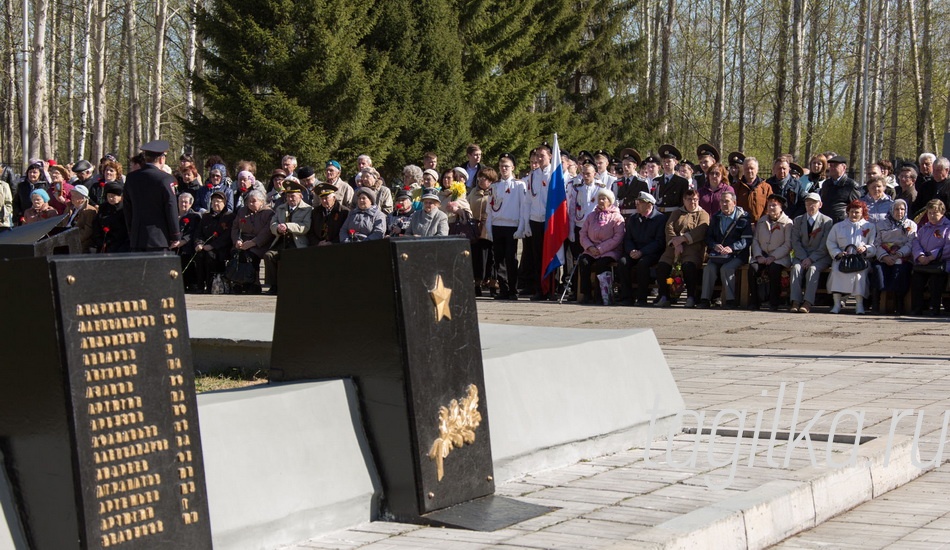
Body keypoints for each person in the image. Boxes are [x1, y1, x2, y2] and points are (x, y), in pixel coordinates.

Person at [122, 140, 181, 252]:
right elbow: (171, 207)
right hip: (159, 238)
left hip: (137, 237)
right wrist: (175, 235)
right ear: (161, 158)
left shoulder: (131, 178)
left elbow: (127, 207)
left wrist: (132, 231)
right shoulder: (165, 179)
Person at [655, 189, 709, 308]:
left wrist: (683, 239)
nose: (692, 202)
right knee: (662, 267)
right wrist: (675, 242)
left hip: (693, 248)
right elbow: (669, 228)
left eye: (695, 199)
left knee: (688, 266)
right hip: (673, 248)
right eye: (689, 199)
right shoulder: (676, 213)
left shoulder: (703, 214)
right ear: (684, 200)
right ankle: (664, 296)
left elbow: (701, 230)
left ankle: (691, 297)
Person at [486, 153, 529, 300]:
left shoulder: (519, 185)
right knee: (499, 260)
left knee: (511, 259)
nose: (504, 169)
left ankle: (513, 290)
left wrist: (521, 227)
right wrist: (489, 229)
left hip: (512, 226)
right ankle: (503, 289)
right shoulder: (494, 186)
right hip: (497, 225)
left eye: (507, 166)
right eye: (501, 166)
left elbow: (523, 208)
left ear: (513, 168)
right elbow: (490, 210)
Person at [699, 192, 753, 309]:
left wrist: (732, 248)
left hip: (737, 255)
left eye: (727, 201)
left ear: (734, 203)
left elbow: (747, 240)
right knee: (709, 268)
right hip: (718, 255)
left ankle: (730, 300)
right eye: (722, 201)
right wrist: (714, 245)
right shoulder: (716, 217)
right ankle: (705, 299)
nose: (724, 204)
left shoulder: (743, 218)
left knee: (726, 269)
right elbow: (708, 237)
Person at [826, 200, 877, 314]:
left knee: (860, 275)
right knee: (835, 271)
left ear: (862, 213)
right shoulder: (838, 227)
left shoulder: (869, 226)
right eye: (852, 212)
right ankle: (837, 304)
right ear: (848, 212)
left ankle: (859, 305)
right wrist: (837, 253)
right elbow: (831, 242)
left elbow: (874, 245)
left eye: (857, 212)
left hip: (860, 260)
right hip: (843, 259)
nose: (854, 214)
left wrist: (865, 248)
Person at [616, 192, 666, 306]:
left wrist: (642, 252)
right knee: (622, 262)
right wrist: (631, 250)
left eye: (640, 203)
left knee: (643, 264)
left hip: (651, 253)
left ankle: (642, 297)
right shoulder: (633, 218)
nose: (637, 206)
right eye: (637, 203)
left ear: (649, 205)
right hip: (635, 251)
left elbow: (659, 242)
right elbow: (628, 238)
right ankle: (627, 297)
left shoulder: (660, 219)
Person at [575, 188, 624, 304]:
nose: (601, 201)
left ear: (610, 201)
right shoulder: (591, 216)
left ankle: (600, 295)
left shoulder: (617, 217)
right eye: (600, 199)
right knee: (584, 261)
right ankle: (586, 294)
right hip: (591, 250)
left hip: (609, 250)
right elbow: (583, 234)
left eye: (604, 199)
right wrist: (590, 247)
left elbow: (617, 237)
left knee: (601, 264)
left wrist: (600, 249)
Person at [264, 181, 312, 294]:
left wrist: (288, 226)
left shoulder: (308, 209)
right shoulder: (281, 208)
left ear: (300, 196)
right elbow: (272, 224)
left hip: (297, 242)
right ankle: (273, 285)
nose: (290, 199)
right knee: (269, 255)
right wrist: (277, 228)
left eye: (293, 196)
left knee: (290, 256)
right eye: (288, 196)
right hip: (281, 241)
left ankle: (291, 286)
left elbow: (305, 227)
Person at [789, 193, 834, 313]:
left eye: (814, 203)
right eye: (808, 203)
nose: (811, 206)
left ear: (820, 205)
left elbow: (824, 245)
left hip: (820, 257)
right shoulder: (798, 220)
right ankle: (795, 301)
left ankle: (808, 302)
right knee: (796, 269)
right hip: (801, 255)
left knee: (813, 270)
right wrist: (804, 257)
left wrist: (811, 259)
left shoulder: (827, 221)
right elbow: (795, 241)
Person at [748, 194, 793, 311]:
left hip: (779, 257)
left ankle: (774, 302)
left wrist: (773, 257)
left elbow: (788, 244)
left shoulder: (788, 223)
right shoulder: (762, 221)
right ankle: (754, 301)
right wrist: (758, 255)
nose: (771, 208)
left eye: (774, 205)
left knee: (774, 269)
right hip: (762, 255)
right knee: (753, 268)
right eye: (769, 205)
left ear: (781, 207)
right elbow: (755, 240)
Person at [874, 199, 917, 314]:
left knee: (901, 271)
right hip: (885, 255)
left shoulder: (911, 225)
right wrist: (884, 257)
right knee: (878, 269)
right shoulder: (881, 224)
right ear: (891, 210)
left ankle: (899, 302)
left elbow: (910, 243)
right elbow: (876, 243)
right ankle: (877, 303)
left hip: (902, 256)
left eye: (902, 209)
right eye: (897, 209)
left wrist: (898, 255)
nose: (899, 212)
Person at [909, 199, 950, 316]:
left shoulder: (947, 227)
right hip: (923, 262)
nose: (932, 216)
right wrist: (920, 256)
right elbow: (916, 242)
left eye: (935, 213)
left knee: (935, 280)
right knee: (917, 279)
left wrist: (932, 256)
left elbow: (948, 246)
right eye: (929, 213)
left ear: (942, 213)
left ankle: (934, 307)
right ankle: (917, 308)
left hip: (940, 262)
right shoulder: (924, 227)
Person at [231, 189, 274, 294]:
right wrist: (237, 240)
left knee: (250, 255)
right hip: (243, 241)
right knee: (237, 253)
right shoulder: (242, 211)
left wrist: (253, 242)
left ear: (261, 202)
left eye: (254, 201)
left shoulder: (268, 213)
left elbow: (267, 232)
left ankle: (254, 283)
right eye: (249, 201)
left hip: (260, 243)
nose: (250, 203)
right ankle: (239, 282)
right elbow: (235, 228)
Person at [468, 168, 496, 296]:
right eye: (479, 178)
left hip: (489, 227)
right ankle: (477, 283)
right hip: (475, 228)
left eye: (484, 178)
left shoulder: (494, 191)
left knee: (490, 257)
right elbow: (467, 204)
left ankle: (491, 283)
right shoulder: (473, 191)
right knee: (477, 257)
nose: (480, 180)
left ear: (490, 180)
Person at [820, 156, 862, 223]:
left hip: (841, 223)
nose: (832, 168)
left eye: (835, 166)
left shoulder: (851, 185)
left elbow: (856, 206)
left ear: (844, 167)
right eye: (831, 166)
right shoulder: (826, 184)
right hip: (825, 223)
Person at [91, 182, 130, 253]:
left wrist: (110, 240)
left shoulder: (124, 209)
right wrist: (99, 238)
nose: (110, 198)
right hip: (102, 240)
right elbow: (97, 223)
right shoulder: (103, 207)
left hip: (119, 242)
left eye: (113, 196)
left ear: (120, 197)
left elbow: (123, 229)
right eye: (109, 196)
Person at [652, 145, 690, 215]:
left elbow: (683, 203)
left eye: (669, 161)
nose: (666, 164)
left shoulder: (682, 182)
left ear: (675, 162)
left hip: (674, 216)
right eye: (664, 161)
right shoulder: (656, 181)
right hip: (657, 216)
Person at [60, 185, 98, 252]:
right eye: (72, 195)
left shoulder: (90, 211)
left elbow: (87, 231)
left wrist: (72, 240)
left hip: (78, 242)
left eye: (75, 196)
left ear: (82, 198)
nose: (72, 197)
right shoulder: (69, 207)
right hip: (63, 238)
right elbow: (62, 222)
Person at [734, 157, 773, 223]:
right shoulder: (736, 187)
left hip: (762, 225)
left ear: (757, 169)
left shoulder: (766, 187)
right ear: (743, 170)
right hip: (742, 226)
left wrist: (761, 222)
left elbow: (770, 206)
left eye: (752, 168)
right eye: (747, 168)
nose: (749, 171)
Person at [615, 148, 650, 218]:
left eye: (628, 165)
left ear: (635, 165)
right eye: (624, 164)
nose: (625, 167)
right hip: (620, 217)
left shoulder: (642, 182)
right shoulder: (616, 183)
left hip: (636, 217)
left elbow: (646, 203)